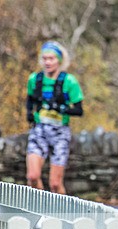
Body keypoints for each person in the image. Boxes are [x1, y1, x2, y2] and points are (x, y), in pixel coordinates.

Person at [25, 41, 84, 194]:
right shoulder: (34, 80)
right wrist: (30, 114)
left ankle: (61, 215)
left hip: (60, 132)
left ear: (59, 60)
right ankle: (40, 209)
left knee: (55, 184)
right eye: (45, 59)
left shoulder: (69, 81)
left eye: (51, 59)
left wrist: (61, 108)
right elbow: (30, 99)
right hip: (39, 130)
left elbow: (79, 110)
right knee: (32, 176)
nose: (48, 62)